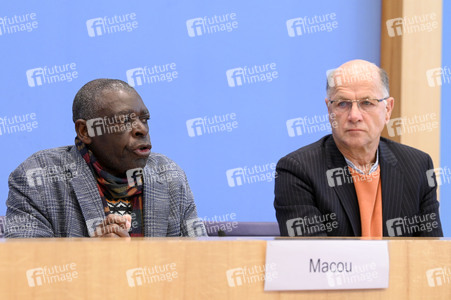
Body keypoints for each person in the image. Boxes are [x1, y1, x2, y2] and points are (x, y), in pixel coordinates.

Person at [5, 79, 206, 238]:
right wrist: (92, 258)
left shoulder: (169, 175)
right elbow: (26, 266)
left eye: (144, 119)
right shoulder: (38, 178)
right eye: (124, 120)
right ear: (85, 130)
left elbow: (201, 262)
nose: (141, 129)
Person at [274, 59, 443, 237]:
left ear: (388, 110)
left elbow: (429, 253)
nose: (354, 116)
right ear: (329, 110)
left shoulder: (417, 166)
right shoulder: (297, 170)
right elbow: (314, 258)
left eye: (367, 103)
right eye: (342, 103)